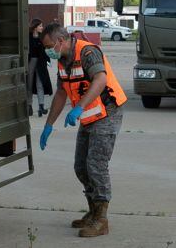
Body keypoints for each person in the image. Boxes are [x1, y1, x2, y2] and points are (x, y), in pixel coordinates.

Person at [38, 23, 127, 238]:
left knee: (96, 165)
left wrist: (78, 107)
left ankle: (102, 220)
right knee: (81, 166)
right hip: (89, 115)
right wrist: (49, 124)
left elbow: (100, 79)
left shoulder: (87, 52)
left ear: (60, 41)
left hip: (108, 111)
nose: (47, 50)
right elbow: (61, 93)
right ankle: (93, 211)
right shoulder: (62, 60)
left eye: (49, 45)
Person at [28, 18, 53, 117]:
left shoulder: (42, 38)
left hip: (41, 63)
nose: (42, 27)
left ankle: (41, 107)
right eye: (40, 26)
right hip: (30, 63)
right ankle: (29, 106)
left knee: (40, 84)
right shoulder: (28, 37)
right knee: (29, 84)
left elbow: (47, 49)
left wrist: (47, 60)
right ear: (35, 27)